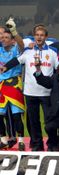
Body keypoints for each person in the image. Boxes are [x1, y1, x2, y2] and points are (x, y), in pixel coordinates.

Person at [2, 26, 59, 151]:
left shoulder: (53, 52)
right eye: (37, 35)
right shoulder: (28, 51)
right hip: (30, 92)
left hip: (46, 92)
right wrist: (5, 67)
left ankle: (52, 144)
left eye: (42, 35)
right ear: (34, 37)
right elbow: (16, 60)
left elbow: (58, 69)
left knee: (49, 122)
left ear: (46, 37)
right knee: (34, 121)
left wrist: (54, 83)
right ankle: (38, 145)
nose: (39, 37)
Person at [0, 19, 25, 151]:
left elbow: (21, 44)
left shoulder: (16, 49)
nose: (3, 39)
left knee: (16, 116)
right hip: (0, 85)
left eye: (6, 37)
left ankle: (21, 140)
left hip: (14, 84)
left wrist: (14, 31)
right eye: (2, 37)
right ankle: (3, 139)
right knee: (0, 115)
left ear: (12, 40)